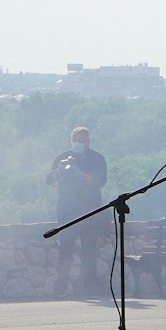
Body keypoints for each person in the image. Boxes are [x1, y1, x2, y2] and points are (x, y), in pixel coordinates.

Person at [46, 126, 108, 296]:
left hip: (90, 211)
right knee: (65, 250)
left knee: (89, 251)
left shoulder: (97, 159)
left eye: (82, 141)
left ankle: (90, 288)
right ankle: (60, 288)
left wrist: (80, 174)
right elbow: (48, 180)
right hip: (67, 211)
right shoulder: (63, 158)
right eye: (76, 140)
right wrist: (59, 170)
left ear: (88, 142)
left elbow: (100, 181)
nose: (78, 144)